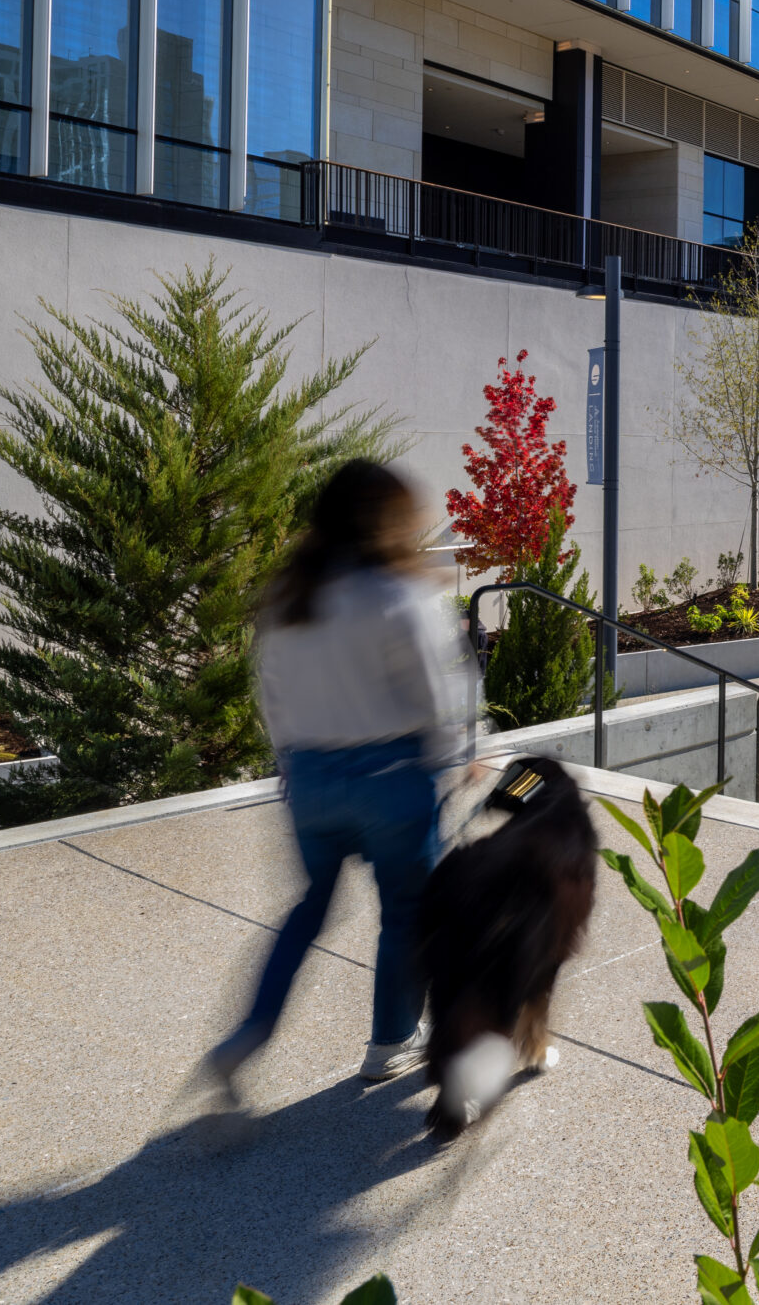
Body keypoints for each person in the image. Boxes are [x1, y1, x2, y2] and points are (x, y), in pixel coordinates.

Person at [203, 460, 478, 1094]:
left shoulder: (288, 598)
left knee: (307, 911)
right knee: (406, 913)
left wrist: (291, 767)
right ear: (389, 519)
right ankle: (390, 1042)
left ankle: (248, 1033)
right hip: (391, 779)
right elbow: (438, 697)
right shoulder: (398, 594)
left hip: (311, 779)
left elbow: (269, 694)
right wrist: (454, 760)